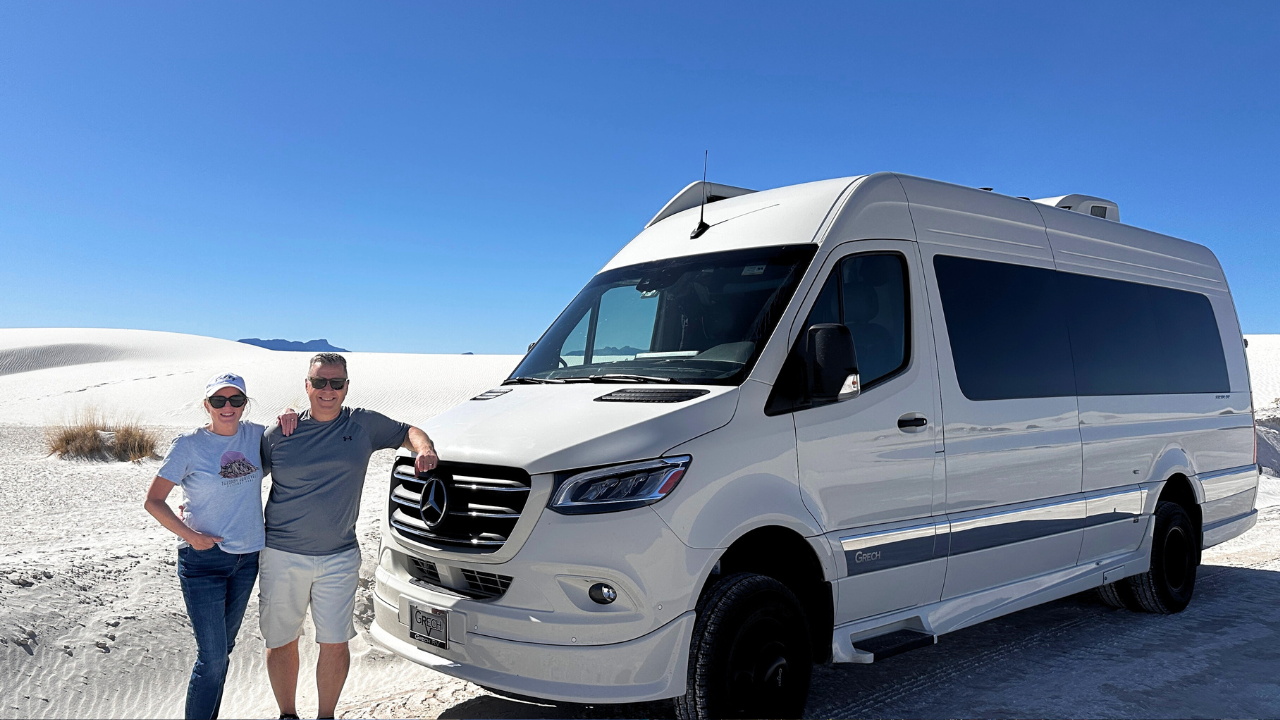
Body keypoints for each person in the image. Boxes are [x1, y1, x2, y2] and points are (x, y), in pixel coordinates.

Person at [259, 352, 438, 720]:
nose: (328, 390)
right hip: (280, 554)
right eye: (320, 382)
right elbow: (243, 480)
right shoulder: (280, 432)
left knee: (335, 641)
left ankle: (327, 716)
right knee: (281, 640)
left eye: (336, 382)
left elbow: (409, 432)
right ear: (306, 386)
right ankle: (287, 715)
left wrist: (425, 449)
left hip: (339, 556)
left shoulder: (363, 425)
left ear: (346, 386)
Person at [144, 373, 267, 720]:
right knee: (211, 657)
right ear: (206, 405)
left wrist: (289, 410)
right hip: (204, 561)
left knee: (223, 652)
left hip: (247, 559)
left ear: (245, 404)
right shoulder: (188, 445)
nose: (227, 407)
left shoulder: (257, 436)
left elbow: (294, 433)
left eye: (236, 400)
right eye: (218, 401)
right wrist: (190, 536)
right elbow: (154, 501)